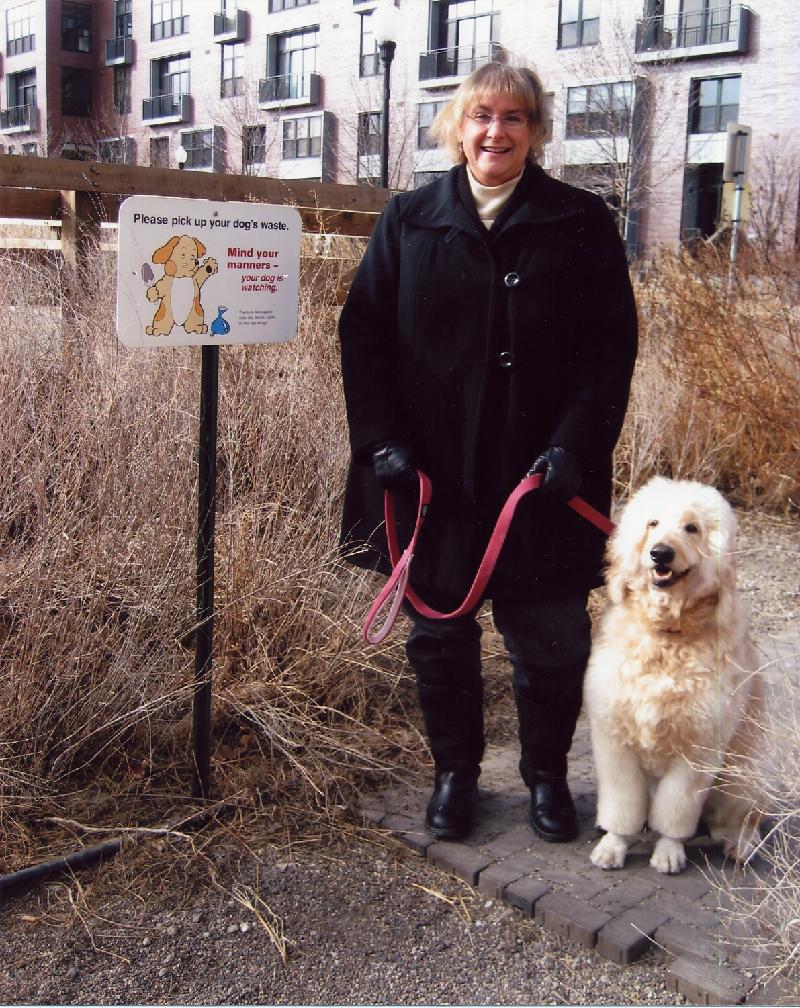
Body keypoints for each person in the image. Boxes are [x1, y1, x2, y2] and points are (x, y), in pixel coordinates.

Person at [338, 62, 637, 843]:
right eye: (479, 116)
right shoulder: (408, 220)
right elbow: (364, 334)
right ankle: (455, 776)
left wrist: (576, 445)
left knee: (551, 639)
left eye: (512, 117)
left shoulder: (582, 221)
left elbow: (611, 351)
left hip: (542, 477)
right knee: (440, 639)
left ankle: (545, 779)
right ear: (456, 126)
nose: (494, 132)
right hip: (433, 477)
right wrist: (380, 444)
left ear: (536, 130)